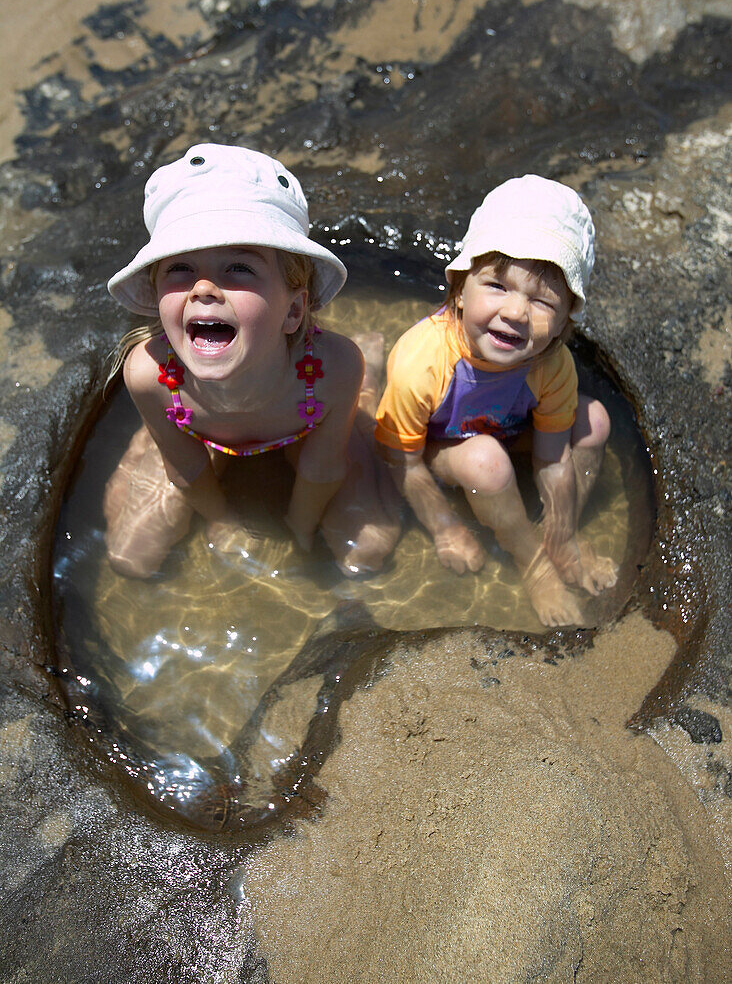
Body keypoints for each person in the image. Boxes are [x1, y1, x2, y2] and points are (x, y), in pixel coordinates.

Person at [104, 142, 399, 578]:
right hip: (199, 436)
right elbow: (184, 467)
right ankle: (141, 443)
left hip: (307, 424)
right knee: (131, 559)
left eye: (239, 268)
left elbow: (323, 467)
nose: (203, 288)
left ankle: (370, 379)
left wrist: (301, 528)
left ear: (294, 310)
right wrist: (220, 522)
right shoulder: (151, 375)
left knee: (367, 553)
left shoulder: (331, 369)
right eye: (180, 268)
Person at [373, 175, 618, 627]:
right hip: (444, 449)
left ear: (566, 321)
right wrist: (445, 527)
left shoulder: (551, 364)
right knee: (486, 462)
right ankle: (531, 560)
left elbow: (553, 457)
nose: (516, 312)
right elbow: (399, 461)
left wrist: (562, 532)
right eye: (497, 287)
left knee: (595, 420)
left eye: (543, 301)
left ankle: (558, 539)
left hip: (508, 431)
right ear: (460, 290)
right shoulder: (420, 361)